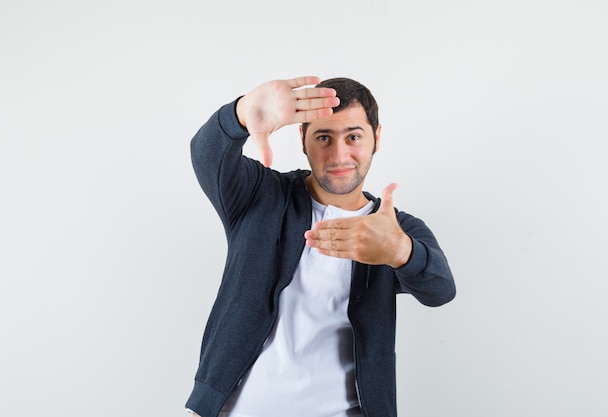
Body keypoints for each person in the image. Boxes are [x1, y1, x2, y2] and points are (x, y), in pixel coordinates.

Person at [185, 76, 456, 417]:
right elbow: (207, 153)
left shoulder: (392, 228)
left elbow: (441, 289)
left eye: (354, 137)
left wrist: (401, 252)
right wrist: (240, 114)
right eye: (324, 137)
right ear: (303, 138)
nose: (339, 155)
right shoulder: (261, 196)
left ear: (377, 138)